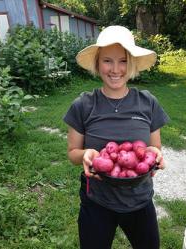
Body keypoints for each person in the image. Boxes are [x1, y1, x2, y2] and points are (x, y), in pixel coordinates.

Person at [63, 25, 170, 249]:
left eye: (122, 61)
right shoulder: (83, 105)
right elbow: (73, 154)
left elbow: (155, 148)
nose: (115, 69)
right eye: (107, 60)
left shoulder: (148, 102)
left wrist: (156, 156)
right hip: (97, 201)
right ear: (97, 63)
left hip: (139, 200)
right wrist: (86, 154)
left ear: (130, 64)